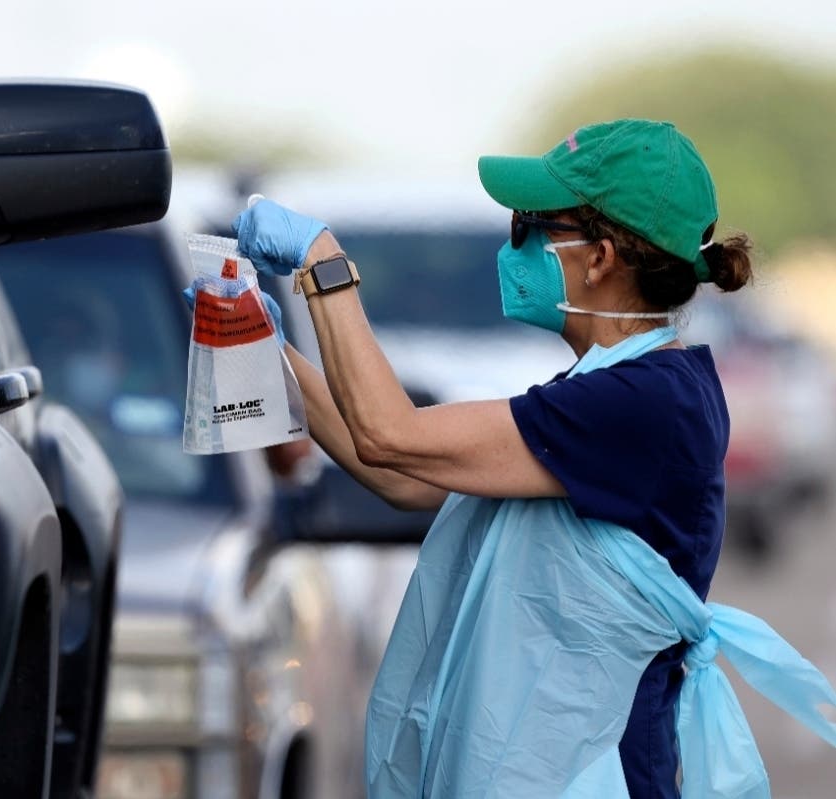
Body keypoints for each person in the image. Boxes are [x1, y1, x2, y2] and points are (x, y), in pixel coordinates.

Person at [220, 119, 836, 797]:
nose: (514, 247)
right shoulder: (616, 393)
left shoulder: (642, 404)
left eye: (529, 226)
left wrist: (322, 260)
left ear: (599, 257)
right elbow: (403, 475)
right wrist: (268, 349)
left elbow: (387, 434)